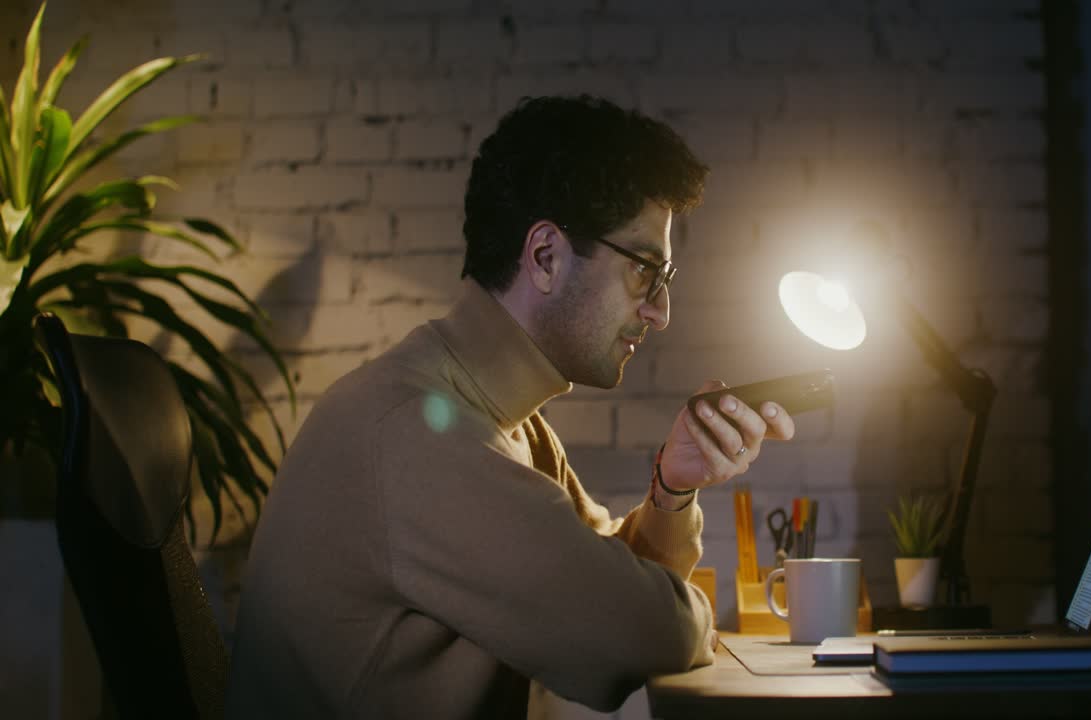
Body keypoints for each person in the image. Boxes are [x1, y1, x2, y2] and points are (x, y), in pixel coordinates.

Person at [225, 95, 796, 719]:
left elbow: (601, 581)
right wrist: (683, 615)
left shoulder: (504, 422)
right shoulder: (416, 434)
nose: (660, 313)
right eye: (644, 272)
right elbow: (641, 633)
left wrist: (671, 490)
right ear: (546, 256)